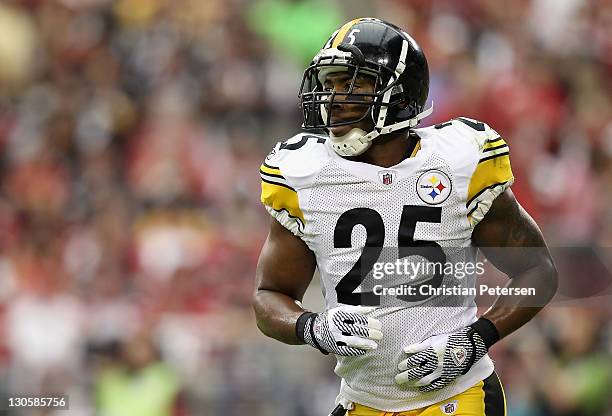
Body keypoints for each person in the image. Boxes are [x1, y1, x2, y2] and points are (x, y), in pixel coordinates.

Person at [253, 17, 557, 415]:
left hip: (457, 398)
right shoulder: (304, 173)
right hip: (363, 402)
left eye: (352, 83)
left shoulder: (458, 160)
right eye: (329, 84)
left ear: (398, 93)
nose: (333, 98)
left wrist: (474, 339)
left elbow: (538, 271)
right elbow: (268, 295)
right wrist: (313, 327)